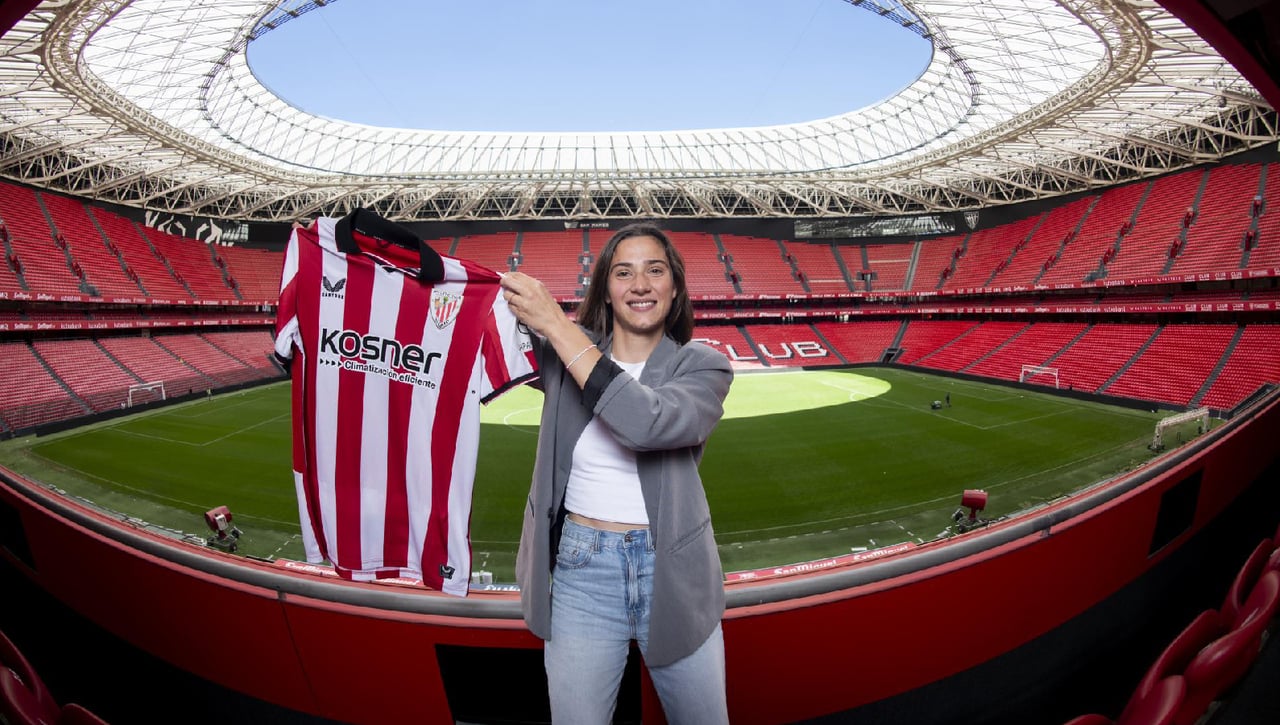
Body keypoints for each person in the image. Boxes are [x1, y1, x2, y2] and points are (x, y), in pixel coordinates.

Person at [499, 222, 734, 724]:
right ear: (606, 287)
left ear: (675, 286)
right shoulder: (564, 355)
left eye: (656, 270)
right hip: (580, 574)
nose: (641, 284)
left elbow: (646, 423)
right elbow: (477, 323)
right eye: (623, 272)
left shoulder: (704, 365)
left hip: (673, 574)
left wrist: (558, 327)